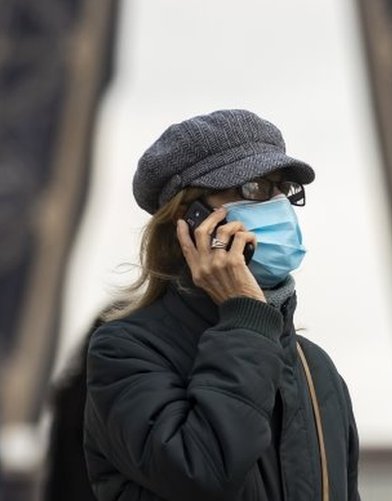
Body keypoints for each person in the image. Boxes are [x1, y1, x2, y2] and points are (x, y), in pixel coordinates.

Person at [83, 109, 359, 501]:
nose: (279, 205)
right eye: (254, 189)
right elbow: (202, 472)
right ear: (189, 218)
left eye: (285, 189)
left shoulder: (317, 371)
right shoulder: (125, 351)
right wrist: (246, 316)